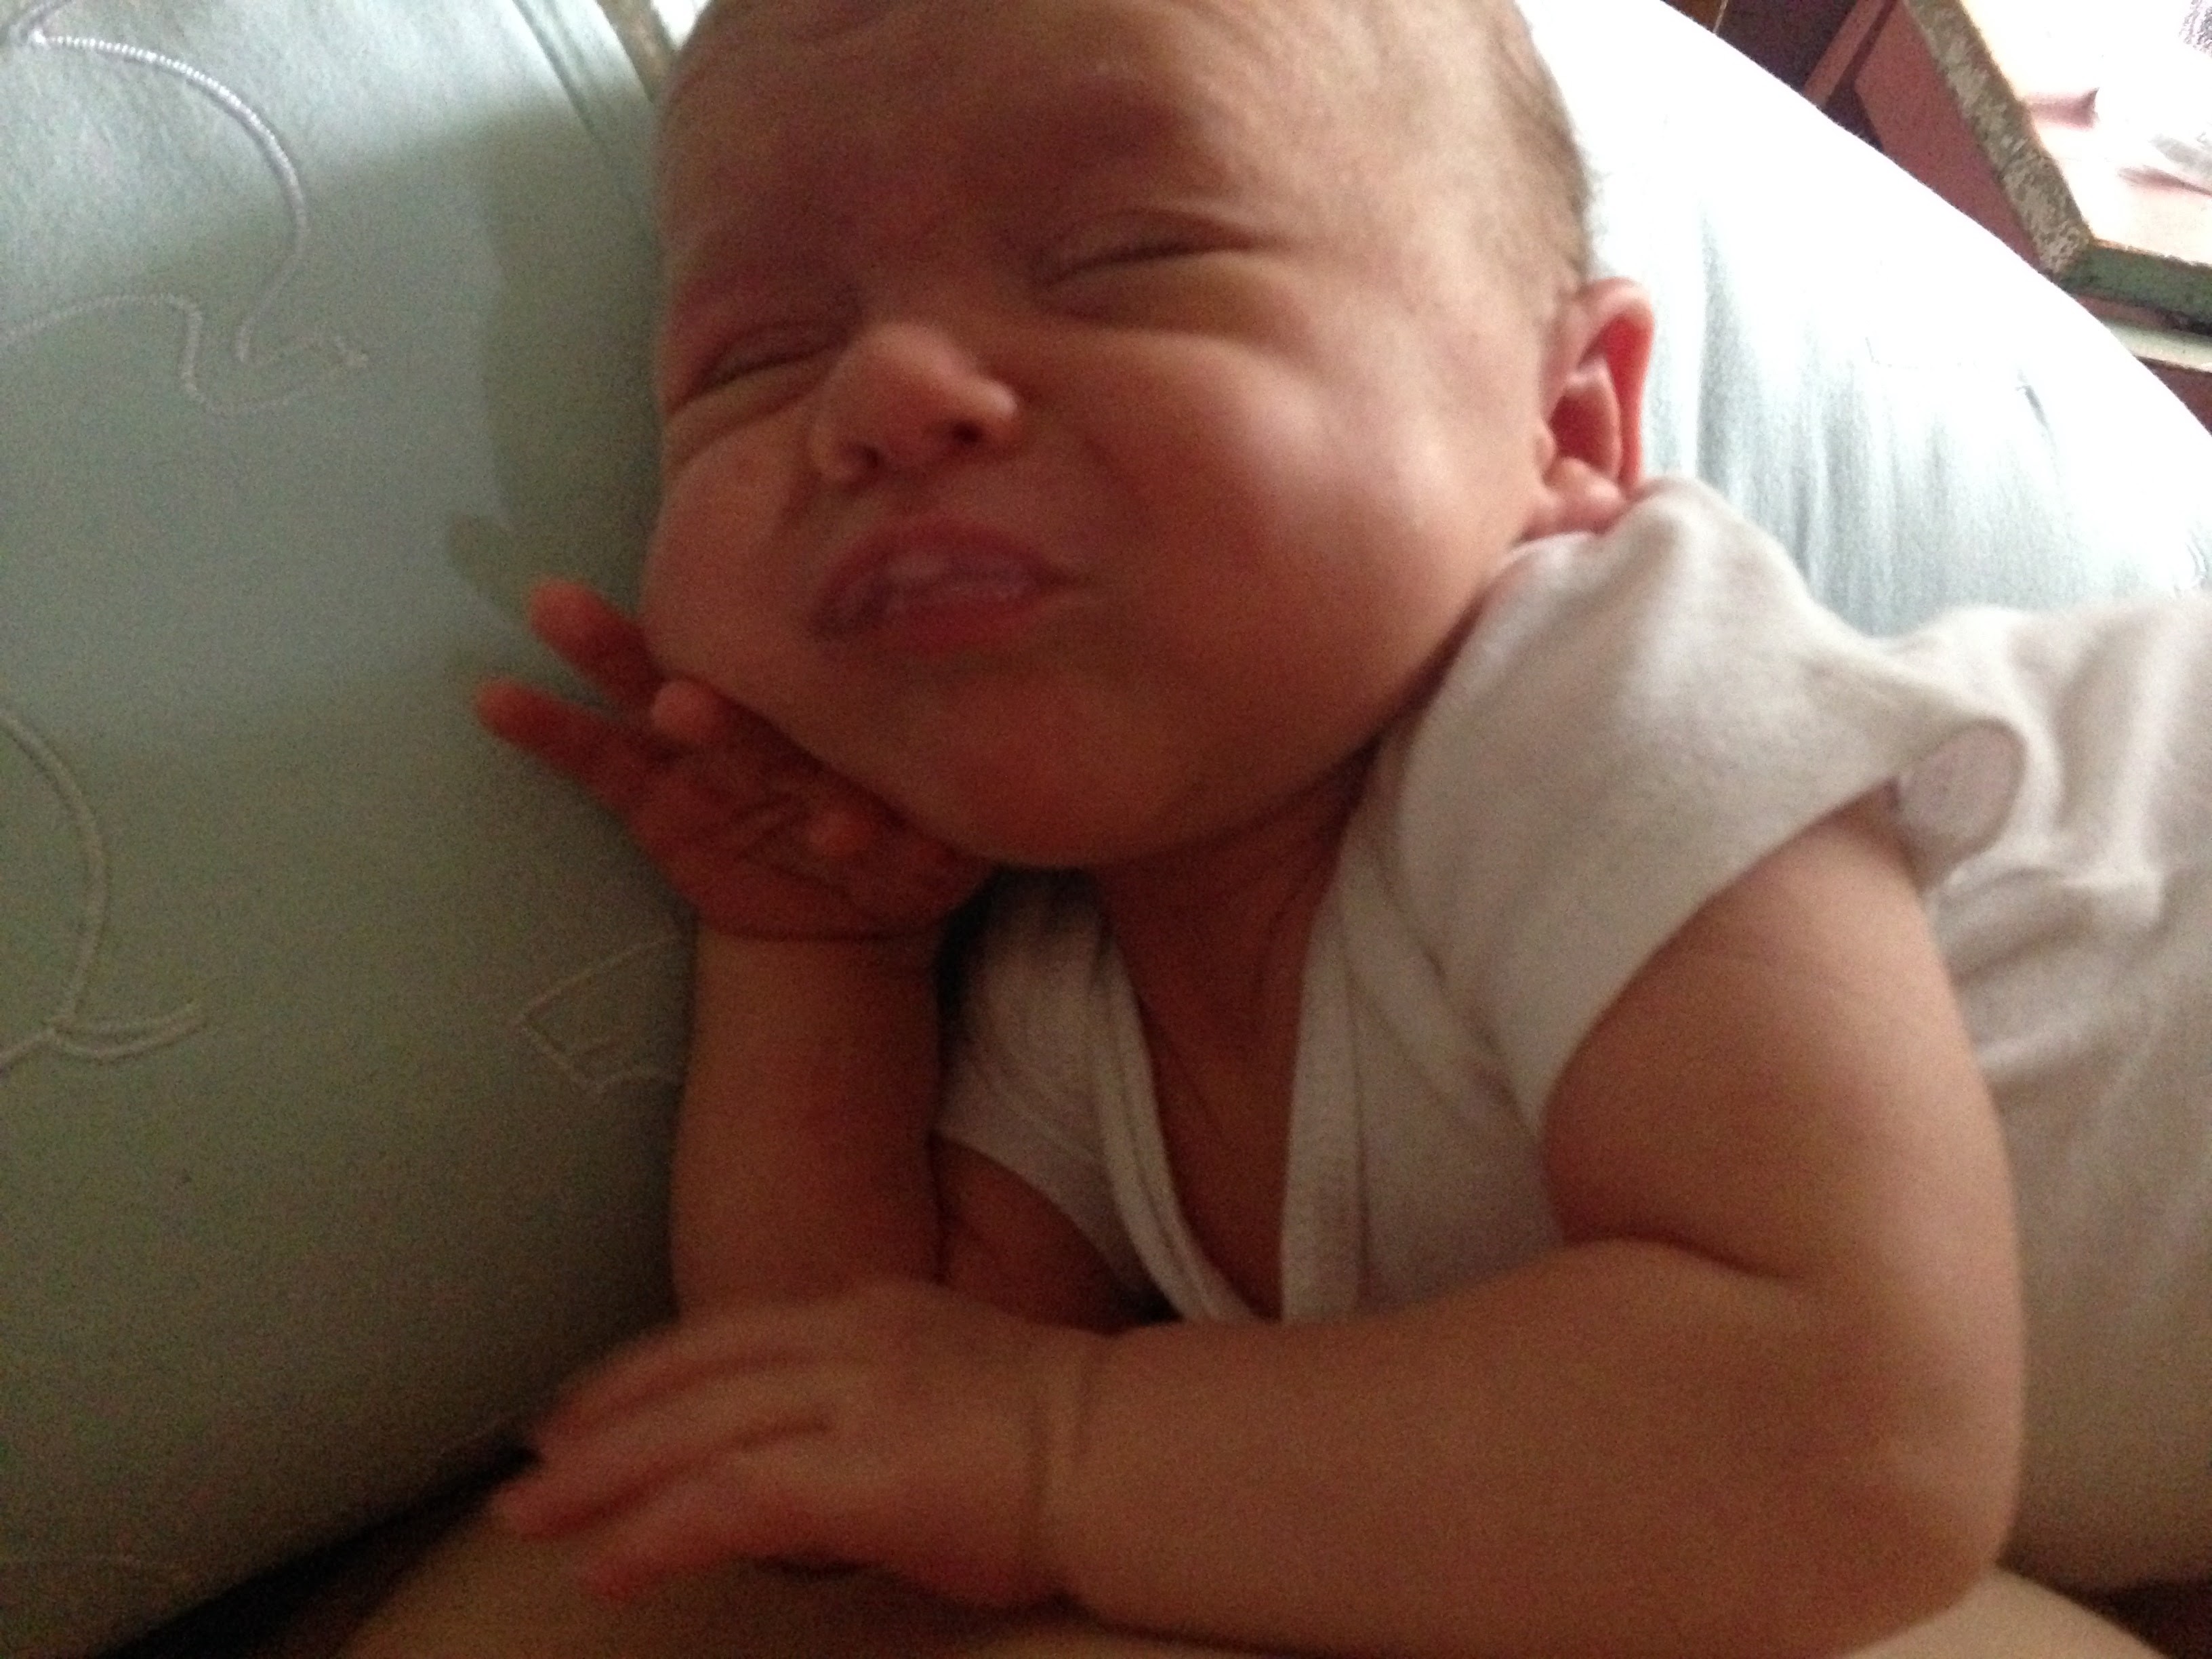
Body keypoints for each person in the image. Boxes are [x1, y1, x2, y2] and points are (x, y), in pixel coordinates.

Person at [459, 0, 2212, 1654]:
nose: (888, 391)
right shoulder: (1069, 987)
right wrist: (817, 961)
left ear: (1564, 425)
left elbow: (1850, 1434)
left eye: (1125, 257)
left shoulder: (1593, 690)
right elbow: (840, 1422)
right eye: (758, 355)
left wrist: (1062, 1449)